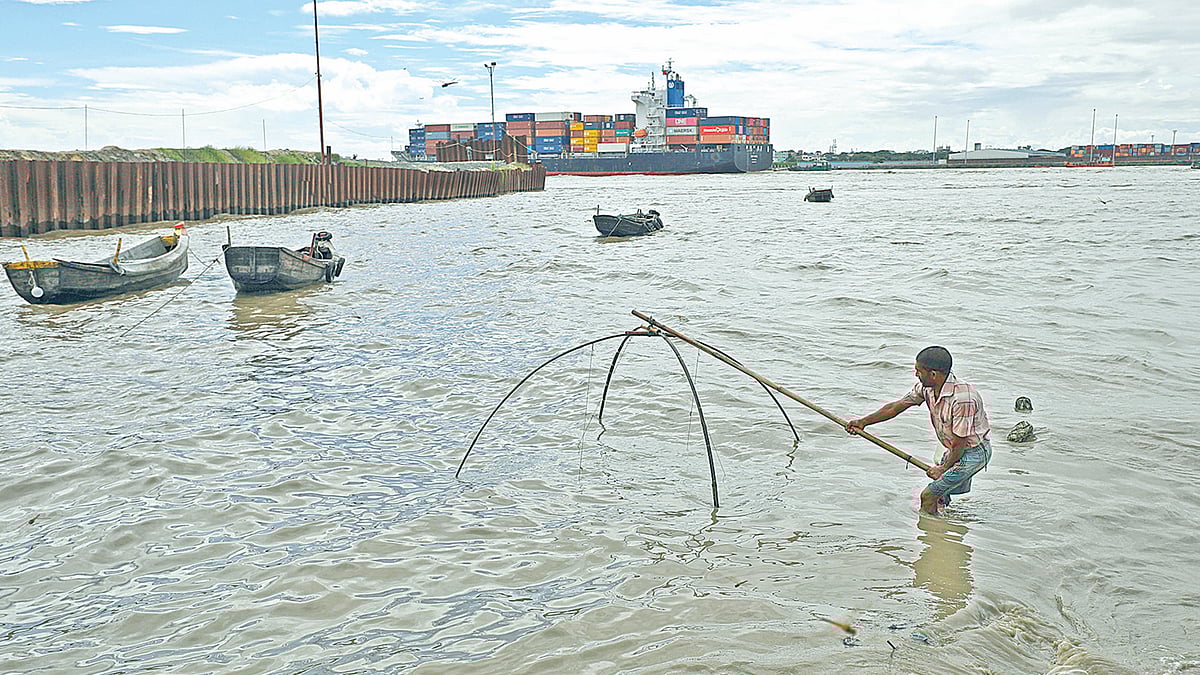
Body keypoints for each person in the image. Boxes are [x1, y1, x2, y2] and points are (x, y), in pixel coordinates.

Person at [846, 346, 991, 515]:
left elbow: (961, 442)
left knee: (929, 495)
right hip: (954, 448)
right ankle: (945, 528)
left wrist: (943, 468)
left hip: (973, 452)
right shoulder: (926, 388)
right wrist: (863, 422)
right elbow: (895, 407)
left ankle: (932, 531)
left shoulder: (963, 399)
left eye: (918, 371)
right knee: (940, 495)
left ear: (934, 374)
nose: (916, 374)